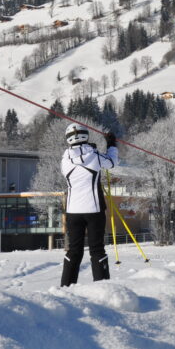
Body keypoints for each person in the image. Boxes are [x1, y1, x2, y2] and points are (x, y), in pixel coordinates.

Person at [60, 123, 118, 287]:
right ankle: (102, 287)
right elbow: (112, 162)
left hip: (73, 211)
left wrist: (90, 150)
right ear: (86, 136)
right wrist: (111, 144)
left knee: (74, 250)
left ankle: (66, 287)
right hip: (94, 209)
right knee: (97, 249)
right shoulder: (96, 156)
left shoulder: (65, 162)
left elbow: (79, 159)